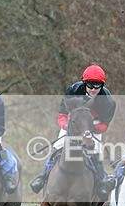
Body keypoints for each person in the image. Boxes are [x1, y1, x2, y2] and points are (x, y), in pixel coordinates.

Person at [29, 65, 116, 197]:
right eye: (90, 85)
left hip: (94, 125)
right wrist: (65, 126)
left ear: (102, 86)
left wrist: (93, 128)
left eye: (97, 86)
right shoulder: (73, 90)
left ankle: (101, 183)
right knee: (57, 146)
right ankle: (42, 177)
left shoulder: (108, 100)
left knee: (96, 150)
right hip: (74, 123)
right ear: (84, 83)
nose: (93, 89)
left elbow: (105, 123)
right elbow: (62, 114)